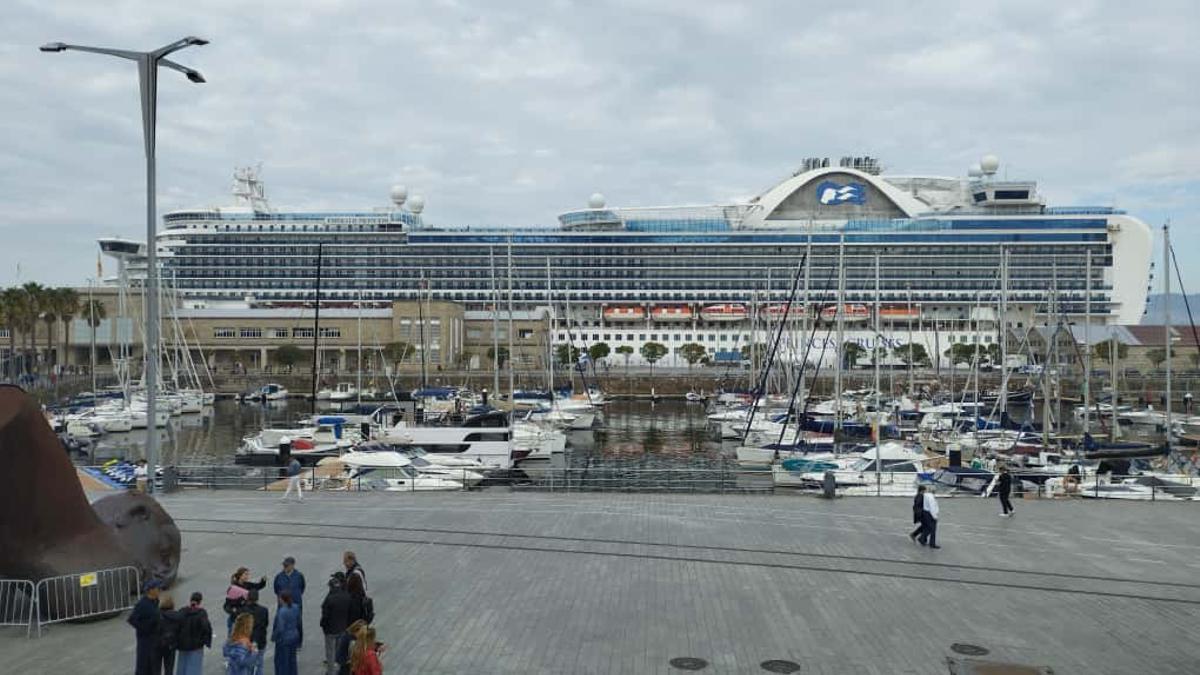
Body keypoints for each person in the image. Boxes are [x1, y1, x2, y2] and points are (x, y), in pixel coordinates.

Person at [129, 579, 163, 675]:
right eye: (158, 588)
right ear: (151, 590)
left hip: (155, 639)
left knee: (154, 665)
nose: (160, 590)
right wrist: (146, 627)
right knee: (144, 665)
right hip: (145, 641)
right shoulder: (142, 604)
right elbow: (132, 619)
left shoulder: (156, 601)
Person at [321, 574, 352, 675]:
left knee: (330, 652)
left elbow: (325, 615)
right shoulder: (347, 596)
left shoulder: (329, 599)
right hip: (342, 628)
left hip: (330, 630)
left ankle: (331, 671)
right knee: (340, 651)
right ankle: (339, 669)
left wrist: (323, 625)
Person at [176, 592, 213, 675]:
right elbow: (206, 628)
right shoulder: (201, 613)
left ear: (190, 600)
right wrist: (206, 642)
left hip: (183, 646)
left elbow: (176, 626)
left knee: (182, 668)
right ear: (200, 601)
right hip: (196, 646)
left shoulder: (182, 611)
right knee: (194, 669)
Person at [273, 556, 307, 648]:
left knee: (298, 623)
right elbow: (276, 589)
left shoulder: (299, 576)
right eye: (284, 565)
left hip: (296, 603)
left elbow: (302, 587)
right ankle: (280, 639)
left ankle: (298, 643)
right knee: (280, 621)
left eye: (286, 565)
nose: (285, 567)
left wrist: (296, 595)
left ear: (292, 565)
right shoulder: (279, 576)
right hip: (282, 604)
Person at [225, 567, 267, 634]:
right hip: (234, 618)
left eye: (248, 574)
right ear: (240, 575)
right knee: (232, 639)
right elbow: (226, 606)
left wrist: (263, 581)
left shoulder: (247, 585)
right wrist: (233, 611)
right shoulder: (233, 588)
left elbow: (257, 587)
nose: (247, 576)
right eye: (246, 574)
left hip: (245, 617)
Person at [238, 589, 269, 675]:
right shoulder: (264, 610)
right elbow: (265, 624)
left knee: (247, 665)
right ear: (257, 598)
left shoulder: (243, 610)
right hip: (260, 640)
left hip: (246, 641)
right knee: (259, 664)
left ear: (248, 598)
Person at [272, 591, 302, 675]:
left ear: (281, 599)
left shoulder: (281, 611)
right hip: (294, 636)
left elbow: (280, 628)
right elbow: (299, 622)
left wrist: (274, 637)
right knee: (292, 660)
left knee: (282, 662)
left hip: (283, 639)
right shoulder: (296, 607)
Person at [156, 592, 182, 675]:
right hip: (171, 645)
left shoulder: (157, 615)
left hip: (158, 644)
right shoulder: (177, 615)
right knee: (169, 668)